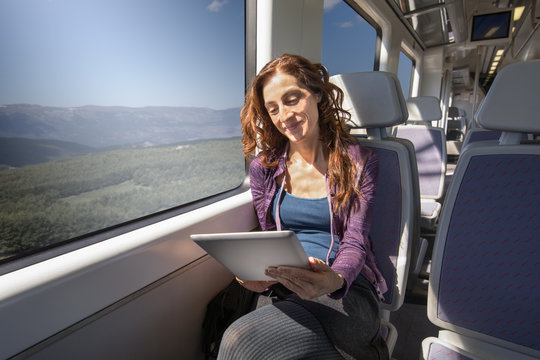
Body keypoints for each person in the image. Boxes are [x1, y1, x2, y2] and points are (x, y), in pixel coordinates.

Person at [217, 54, 389, 360]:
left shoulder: (360, 163)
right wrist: (257, 276)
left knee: (240, 341)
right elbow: (271, 236)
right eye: (273, 109)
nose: (284, 115)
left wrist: (333, 279)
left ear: (318, 95)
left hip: (345, 287)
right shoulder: (264, 169)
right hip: (287, 284)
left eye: (292, 99)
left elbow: (355, 241)